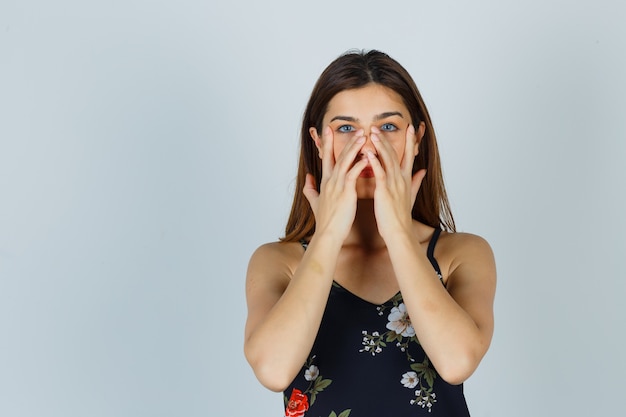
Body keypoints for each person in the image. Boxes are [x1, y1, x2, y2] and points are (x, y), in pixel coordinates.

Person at [244, 49, 496, 417]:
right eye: (346, 128)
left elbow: (457, 362)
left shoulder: (461, 254)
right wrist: (328, 232)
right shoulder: (278, 262)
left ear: (417, 137)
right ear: (318, 141)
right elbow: (273, 370)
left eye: (388, 127)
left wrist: (396, 228)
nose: (366, 147)